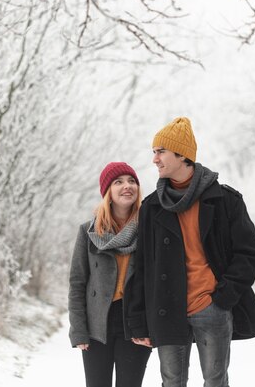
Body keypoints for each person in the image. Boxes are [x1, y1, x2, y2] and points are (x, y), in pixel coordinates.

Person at [127, 117, 255, 387]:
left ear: (183, 156)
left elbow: (249, 252)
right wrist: (138, 320)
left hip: (211, 307)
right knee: (172, 383)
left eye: (161, 152)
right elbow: (141, 265)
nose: (154, 159)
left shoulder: (225, 200)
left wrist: (224, 296)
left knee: (215, 382)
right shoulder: (152, 207)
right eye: (154, 152)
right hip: (166, 309)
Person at [68, 162, 152, 387]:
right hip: (98, 325)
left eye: (132, 181)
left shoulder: (149, 229)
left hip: (134, 321)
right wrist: (79, 330)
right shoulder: (89, 232)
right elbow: (77, 282)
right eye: (119, 182)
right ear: (108, 193)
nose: (127, 186)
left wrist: (153, 326)